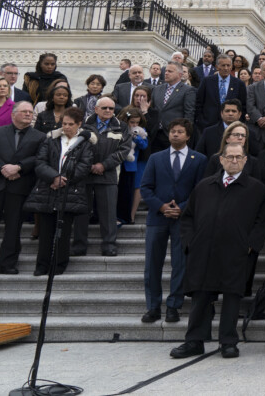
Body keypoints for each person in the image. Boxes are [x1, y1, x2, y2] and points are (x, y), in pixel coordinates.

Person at [170, 142, 265, 360]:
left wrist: (251, 245)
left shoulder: (256, 189)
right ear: (221, 159)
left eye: (238, 157)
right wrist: (190, 242)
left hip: (236, 252)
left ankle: (228, 342)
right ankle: (194, 341)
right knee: (201, 297)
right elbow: (187, 217)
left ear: (245, 160)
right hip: (203, 251)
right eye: (230, 157)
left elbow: (262, 221)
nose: (234, 161)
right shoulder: (205, 186)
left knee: (232, 298)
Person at [139, 119, 207, 324]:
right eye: (173, 131)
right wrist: (161, 206)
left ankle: (173, 306)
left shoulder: (199, 159)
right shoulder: (155, 158)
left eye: (180, 132)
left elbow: (200, 189)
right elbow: (145, 187)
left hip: (183, 219)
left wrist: (182, 207)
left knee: (180, 263)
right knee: (152, 263)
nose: (175, 134)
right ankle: (153, 307)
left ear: (188, 135)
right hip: (157, 218)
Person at [24, 107, 92, 277]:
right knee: (46, 231)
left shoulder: (84, 143)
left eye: (70, 124)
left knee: (63, 231)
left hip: (70, 191)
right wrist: (54, 177)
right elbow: (40, 162)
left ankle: (59, 264)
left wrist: (64, 180)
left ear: (79, 124)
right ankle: (42, 265)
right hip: (49, 189)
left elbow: (84, 166)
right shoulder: (51, 140)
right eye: (64, 123)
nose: (66, 127)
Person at [72, 96, 131, 257]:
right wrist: (88, 164)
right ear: (96, 109)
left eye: (111, 109)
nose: (108, 111)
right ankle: (79, 245)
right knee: (81, 212)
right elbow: (76, 148)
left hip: (109, 175)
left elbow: (124, 150)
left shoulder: (122, 127)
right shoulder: (83, 126)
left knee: (109, 213)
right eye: (104, 108)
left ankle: (109, 245)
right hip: (84, 174)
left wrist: (103, 165)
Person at [0, 101, 46, 274]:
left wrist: (18, 167)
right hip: (0, 182)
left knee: (13, 228)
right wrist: (3, 168)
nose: (28, 114)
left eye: (30, 112)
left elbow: (39, 158)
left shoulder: (40, 136)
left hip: (19, 187)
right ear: (13, 114)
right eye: (24, 111)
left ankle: (7, 264)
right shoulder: (0, 132)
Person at [194, 54, 246, 132]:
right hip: (207, 125)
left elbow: (243, 106)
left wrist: (238, 123)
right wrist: (201, 121)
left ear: (231, 67)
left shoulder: (239, 84)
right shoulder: (207, 81)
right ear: (217, 67)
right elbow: (198, 102)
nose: (226, 68)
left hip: (231, 127)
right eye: (223, 65)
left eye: (228, 65)